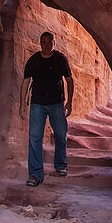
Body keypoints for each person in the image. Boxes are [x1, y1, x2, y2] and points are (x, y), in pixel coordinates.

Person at [19, 31, 74, 186]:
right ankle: (35, 174)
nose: (46, 45)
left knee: (61, 134)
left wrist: (69, 102)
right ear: (40, 43)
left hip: (56, 102)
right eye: (43, 42)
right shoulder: (34, 60)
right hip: (38, 103)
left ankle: (60, 165)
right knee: (35, 137)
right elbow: (26, 82)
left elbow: (69, 80)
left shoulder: (60, 59)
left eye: (49, 42)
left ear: (53, 43)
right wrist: (22, 103)